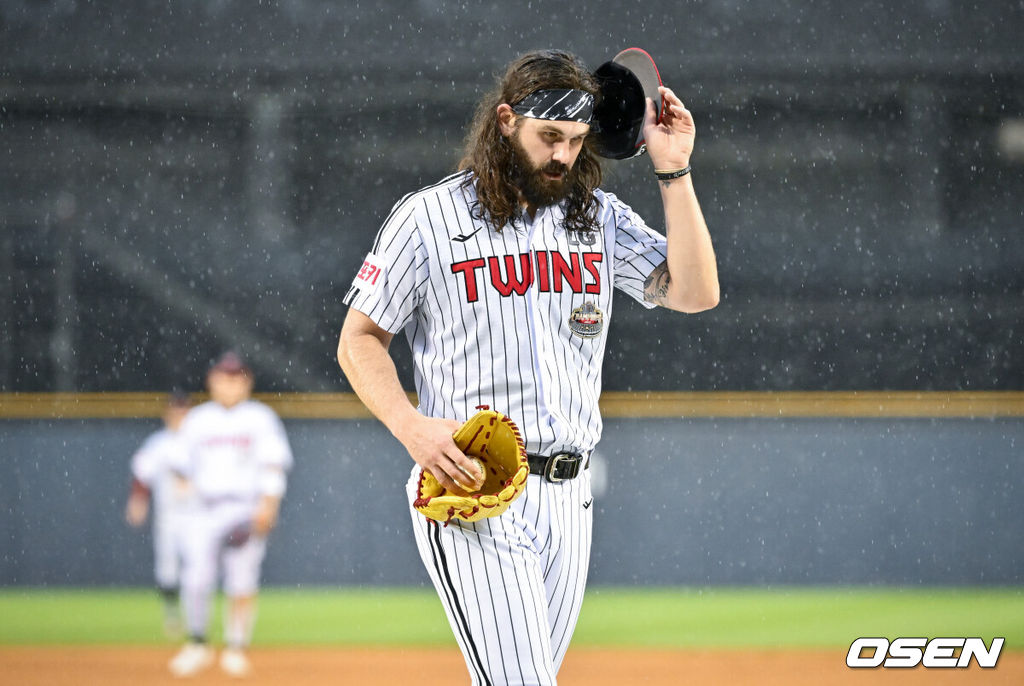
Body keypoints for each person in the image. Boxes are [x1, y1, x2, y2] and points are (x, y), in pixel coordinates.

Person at [337, 49, 719, 685]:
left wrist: (673, 171)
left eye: (575, 140)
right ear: (507, 120)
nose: (565, 155)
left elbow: (695, 291)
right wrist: (411, 427)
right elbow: (359, 339)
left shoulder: (594, 219)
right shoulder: (428, 219)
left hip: (570, 500)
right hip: (474, 486)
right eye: (550, 137)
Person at [166, 351, 294, 678]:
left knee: (242, 581)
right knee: (195, 579)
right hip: (204, 509)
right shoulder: (197, 419)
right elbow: (180, 465)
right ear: (212, 381)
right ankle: (197, 644)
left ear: (247, 382)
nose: (230, 383)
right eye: (224, 376)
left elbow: (273, 466)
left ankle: (236, 647)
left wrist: (268, 506)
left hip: (245, 508)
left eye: (236, 377)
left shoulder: (260, 417)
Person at [125, 389, 193, 639]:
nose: (178, 415)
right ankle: (173, 615)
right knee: (168, 570)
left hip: (199, 516)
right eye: (174, 410)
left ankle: (195, 619)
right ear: (167, 413)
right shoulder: (158, 443)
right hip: (169, 516)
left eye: (183, 410)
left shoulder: (201, 440)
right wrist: (138, 502)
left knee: (196, 570)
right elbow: (142, 475)